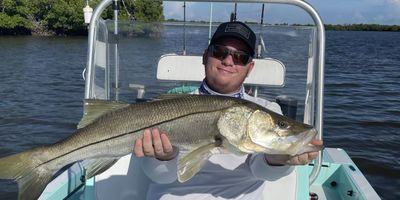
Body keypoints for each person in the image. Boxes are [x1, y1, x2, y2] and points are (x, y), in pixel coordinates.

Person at [134, 21, 323, 199]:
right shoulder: (166, 110)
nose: (229, 61)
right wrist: (163, 158)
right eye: (220, 52)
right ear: (205, 55)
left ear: (250, 67)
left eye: (240, 57)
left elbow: (260, 171)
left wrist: (277, 159)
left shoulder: (267, 110)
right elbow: (160, 177)